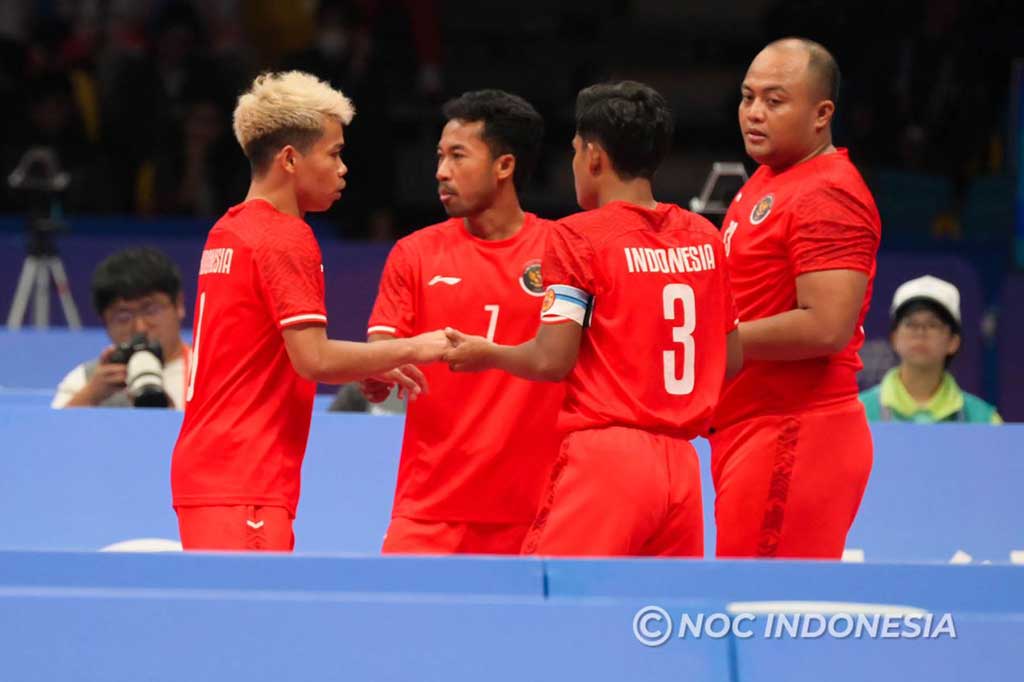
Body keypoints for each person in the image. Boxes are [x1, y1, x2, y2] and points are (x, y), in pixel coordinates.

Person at [445, 81, 742, 557]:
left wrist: (487, 353)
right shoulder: (704, 237)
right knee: (652, 625)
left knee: (555, 612)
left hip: (608, 463)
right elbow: (730, 358)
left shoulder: (578, 237)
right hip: (684, 470)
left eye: (574, 151)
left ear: (594, 156)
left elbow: (551, 358)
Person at [170, 71, 448, 552]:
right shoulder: (285, 236)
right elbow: (313, 359)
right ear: (290, 159)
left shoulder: (228, 229)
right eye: (335, 153)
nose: (344, 169)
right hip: (245, 478)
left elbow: (272, 351)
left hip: (215, 470)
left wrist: (374, 360)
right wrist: (420, 345)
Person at [360, 89, 563, 554]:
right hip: (429, 510)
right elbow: (381, 344)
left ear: (504, 166)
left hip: (537, 512)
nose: (440, 172)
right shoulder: (415, 252)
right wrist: (376, 369)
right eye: (439, 156)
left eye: (457, 156)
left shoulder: (561, 252)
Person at [712, 38, 881, 559]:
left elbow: (826, 326)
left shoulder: (829, 193)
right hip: (752, 428)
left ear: (821, 113)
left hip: (796, 432)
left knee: (765, 621)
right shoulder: (768, 179)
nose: (754, 113)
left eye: (775, 100)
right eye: (747, 97)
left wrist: (714, 344)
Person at [53, 247, 190, 409]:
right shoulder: (85, 380)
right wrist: (91, 396)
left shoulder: (211, 373)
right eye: (123, 317)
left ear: (179, 305)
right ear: (105, 322)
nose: (140, 328)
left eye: (151, 311)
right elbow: (53, 431)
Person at [860, 275, 1001, 424]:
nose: (920, 333)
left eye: (932, 324)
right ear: (894, 338)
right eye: (910, 324)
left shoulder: (985, 419)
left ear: (953, 341)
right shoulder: (859, 411)